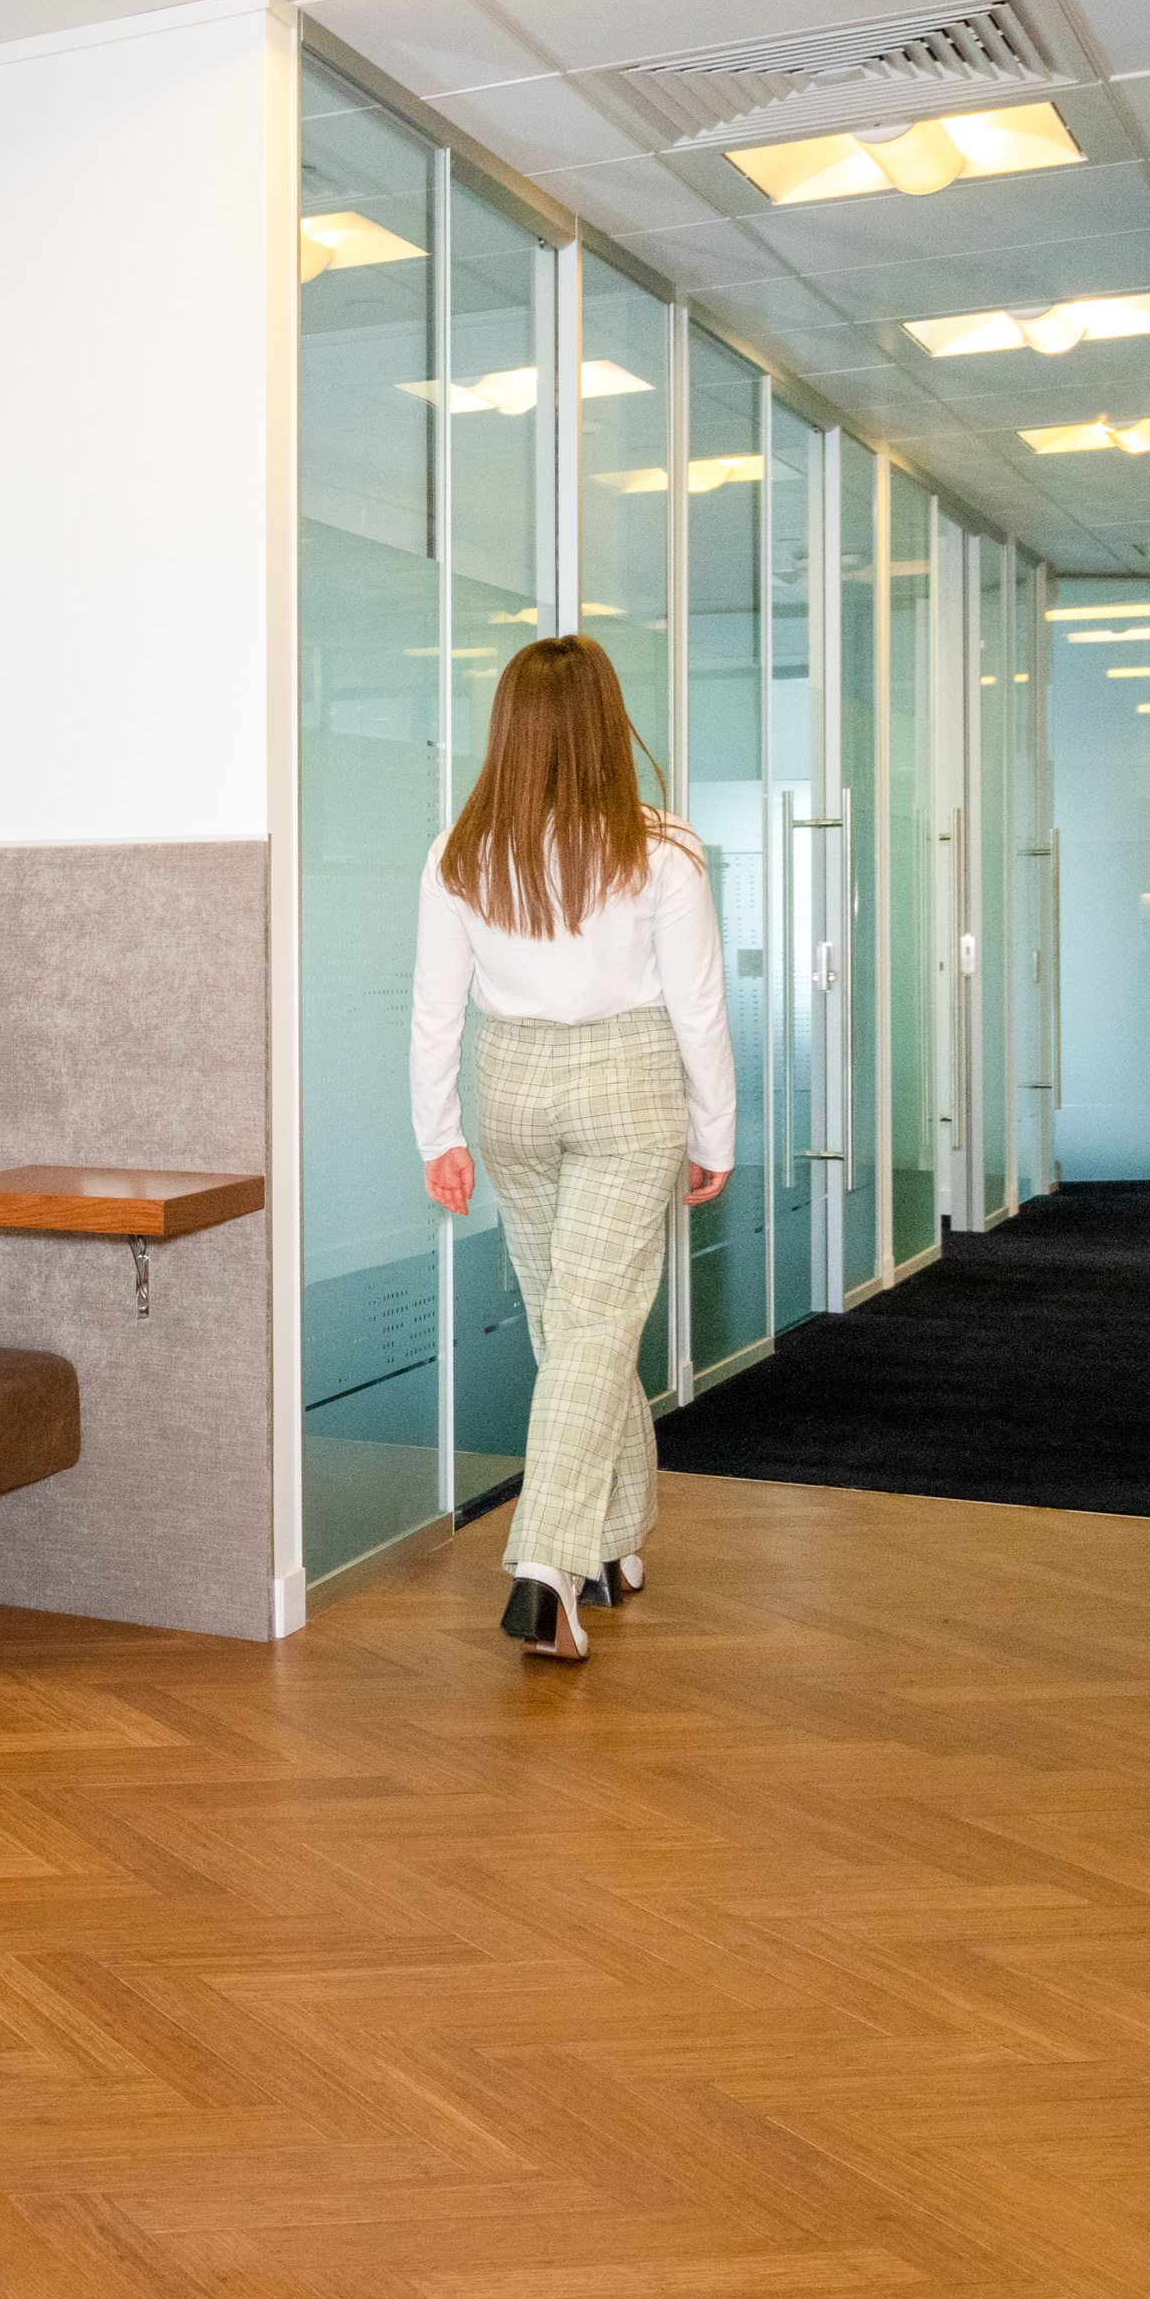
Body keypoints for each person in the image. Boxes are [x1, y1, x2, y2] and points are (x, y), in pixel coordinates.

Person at [408, 638, 734, 1667]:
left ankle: (612, 1540)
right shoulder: (660, 846)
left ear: (507, 729)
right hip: (627, 1086)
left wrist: (439, 1132)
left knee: (572, 1323)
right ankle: (547, 1565)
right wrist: (716, 1131)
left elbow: (433, 1010)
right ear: (606, 723)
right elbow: (699, 1006)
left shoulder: (462, 850)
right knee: (594, 1324)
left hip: (510, 1088)